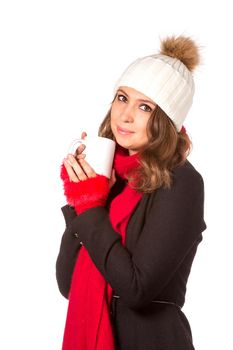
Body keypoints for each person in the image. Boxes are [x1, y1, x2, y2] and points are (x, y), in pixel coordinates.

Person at [56, 35, 206, 350]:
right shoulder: (111, 177)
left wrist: (90, 207)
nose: (125, 115)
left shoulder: (181, 182)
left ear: (166, 120)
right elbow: (68, 284)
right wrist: (82, 196)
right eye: (122, 98)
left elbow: (137, 289)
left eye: (145, 106)